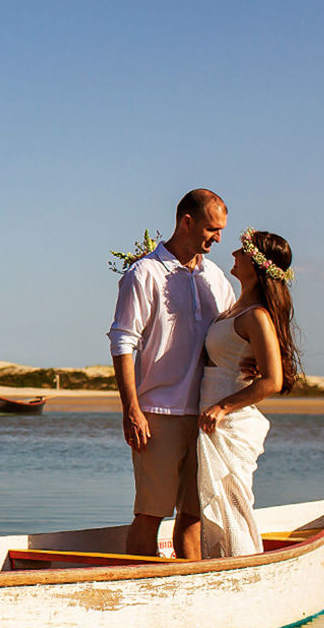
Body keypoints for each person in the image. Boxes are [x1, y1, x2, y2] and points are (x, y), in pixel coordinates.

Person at [109, 189, 237, 559]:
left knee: (194, 517)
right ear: (187, 222)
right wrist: (131, 410)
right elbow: (122, 341)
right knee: (150, 515)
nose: (217, 238)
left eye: (221, 230)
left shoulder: (215, 277)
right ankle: (142, 589)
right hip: (158, 414)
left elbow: (232, 334)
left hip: (205, 417)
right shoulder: (143, 273)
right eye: (212, 229)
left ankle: (187, 595)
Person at [196, 229, 302, 557]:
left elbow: (273, 379)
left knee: (233, 508)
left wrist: (222, 408)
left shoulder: (256, 316)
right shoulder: (234, 309)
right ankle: (218, 569)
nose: (233, 255)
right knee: (213, 510)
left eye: (242, 251)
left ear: (257, 265)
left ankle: (243, 571)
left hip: (229, 423)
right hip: (213, 421)